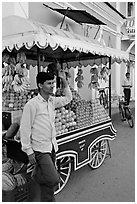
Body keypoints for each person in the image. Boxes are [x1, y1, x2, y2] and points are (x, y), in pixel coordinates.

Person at [20, 70, 72, 202]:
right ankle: (36, 174)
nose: (52, 86)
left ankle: (48, 200)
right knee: (54, 179)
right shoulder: (31, 105)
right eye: (49, 83)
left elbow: (68, 98)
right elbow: (24, 129)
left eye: (53, 83)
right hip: (39, 149)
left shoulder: (52, 102)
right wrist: (29, 151)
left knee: (48, 183)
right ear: (40, 85)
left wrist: (64, 80)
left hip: (51, 147)